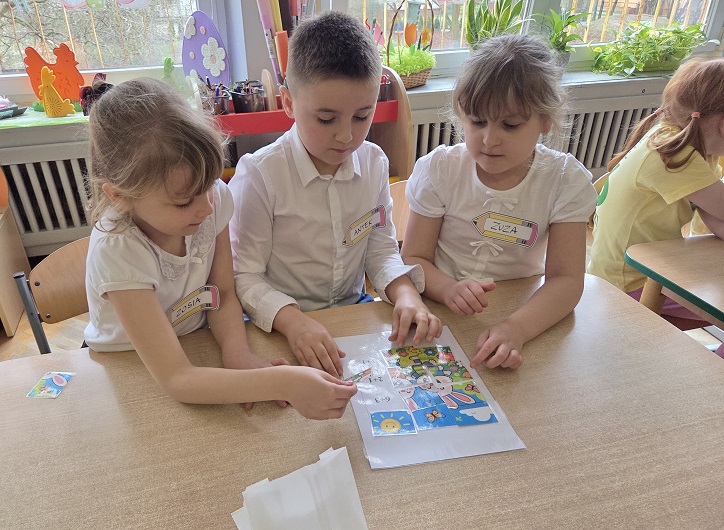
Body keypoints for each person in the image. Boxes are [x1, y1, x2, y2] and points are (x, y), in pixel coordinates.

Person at [84, 78, 356, 418]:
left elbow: (222, 294)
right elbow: (177, 380)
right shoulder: (118, 250)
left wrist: (236, 353)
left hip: (196, 342)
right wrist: (282, 383)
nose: (207, 208)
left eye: (209, 185)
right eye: (184, 202)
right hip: (127, 365)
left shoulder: (210, 201)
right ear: (119, 196)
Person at [228, 12, 441, 378]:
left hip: (352, 313)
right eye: (326, 119)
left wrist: (406, 293)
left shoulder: (374, 163)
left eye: (362, 116)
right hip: (281, 323)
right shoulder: (260, 175)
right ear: (289, 103)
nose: (346, 136)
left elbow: (380, 249)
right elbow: (244, 275)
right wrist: (293, 322)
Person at [400, 35, 597, 370]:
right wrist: (448, 289)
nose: (490, 140)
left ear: (545, 121)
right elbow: (414, 256)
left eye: (510, 125)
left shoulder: (565, 180)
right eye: (477, 122)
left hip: (525, 314)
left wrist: (516, 328)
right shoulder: (441, 169)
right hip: (439, 312)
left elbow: (566, 280)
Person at [588, 58, 724, 350]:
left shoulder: (679, 136)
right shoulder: (675, 154)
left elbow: (715, 217)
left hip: (631, 271)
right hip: (629, 283)